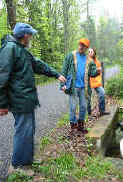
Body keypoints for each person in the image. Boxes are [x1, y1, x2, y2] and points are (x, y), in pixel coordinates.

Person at [0, 23, 66, 173]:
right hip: (19, 99)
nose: (32, 37)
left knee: (29, 130)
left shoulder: (21, 50)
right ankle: (18, 166)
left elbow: (38, 65)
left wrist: (56, 74)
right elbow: (1, 78)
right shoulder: (9, 49)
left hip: (26, 99)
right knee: (23, 131)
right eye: (30, 34)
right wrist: (2, 104)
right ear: (25, 36)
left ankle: (27, 159)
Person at [61, 39, 98, 134]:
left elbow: (92, 73)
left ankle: (80, 125)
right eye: (80, 44)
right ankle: (73, 125)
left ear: (86, 48)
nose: (81, 47)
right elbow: (64, 70)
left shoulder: (89, 60)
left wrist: (97, 71)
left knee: (83, 106)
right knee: (73, 107)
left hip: (84, 88)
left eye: (83, 46)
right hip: (72, 86)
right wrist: (62, 84)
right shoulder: (71, 56)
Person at [87, 48, 110, 116]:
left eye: (91, 51)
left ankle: (102, 111)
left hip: (96, 82)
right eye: (89, 52)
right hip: (88, 83)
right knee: (88, 98)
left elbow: (99, 73)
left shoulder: (97, 62)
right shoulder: (86, 61)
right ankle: (89, 113)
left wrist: (98, 71)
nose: (90, 53)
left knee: (102, 93)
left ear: (94, 53)